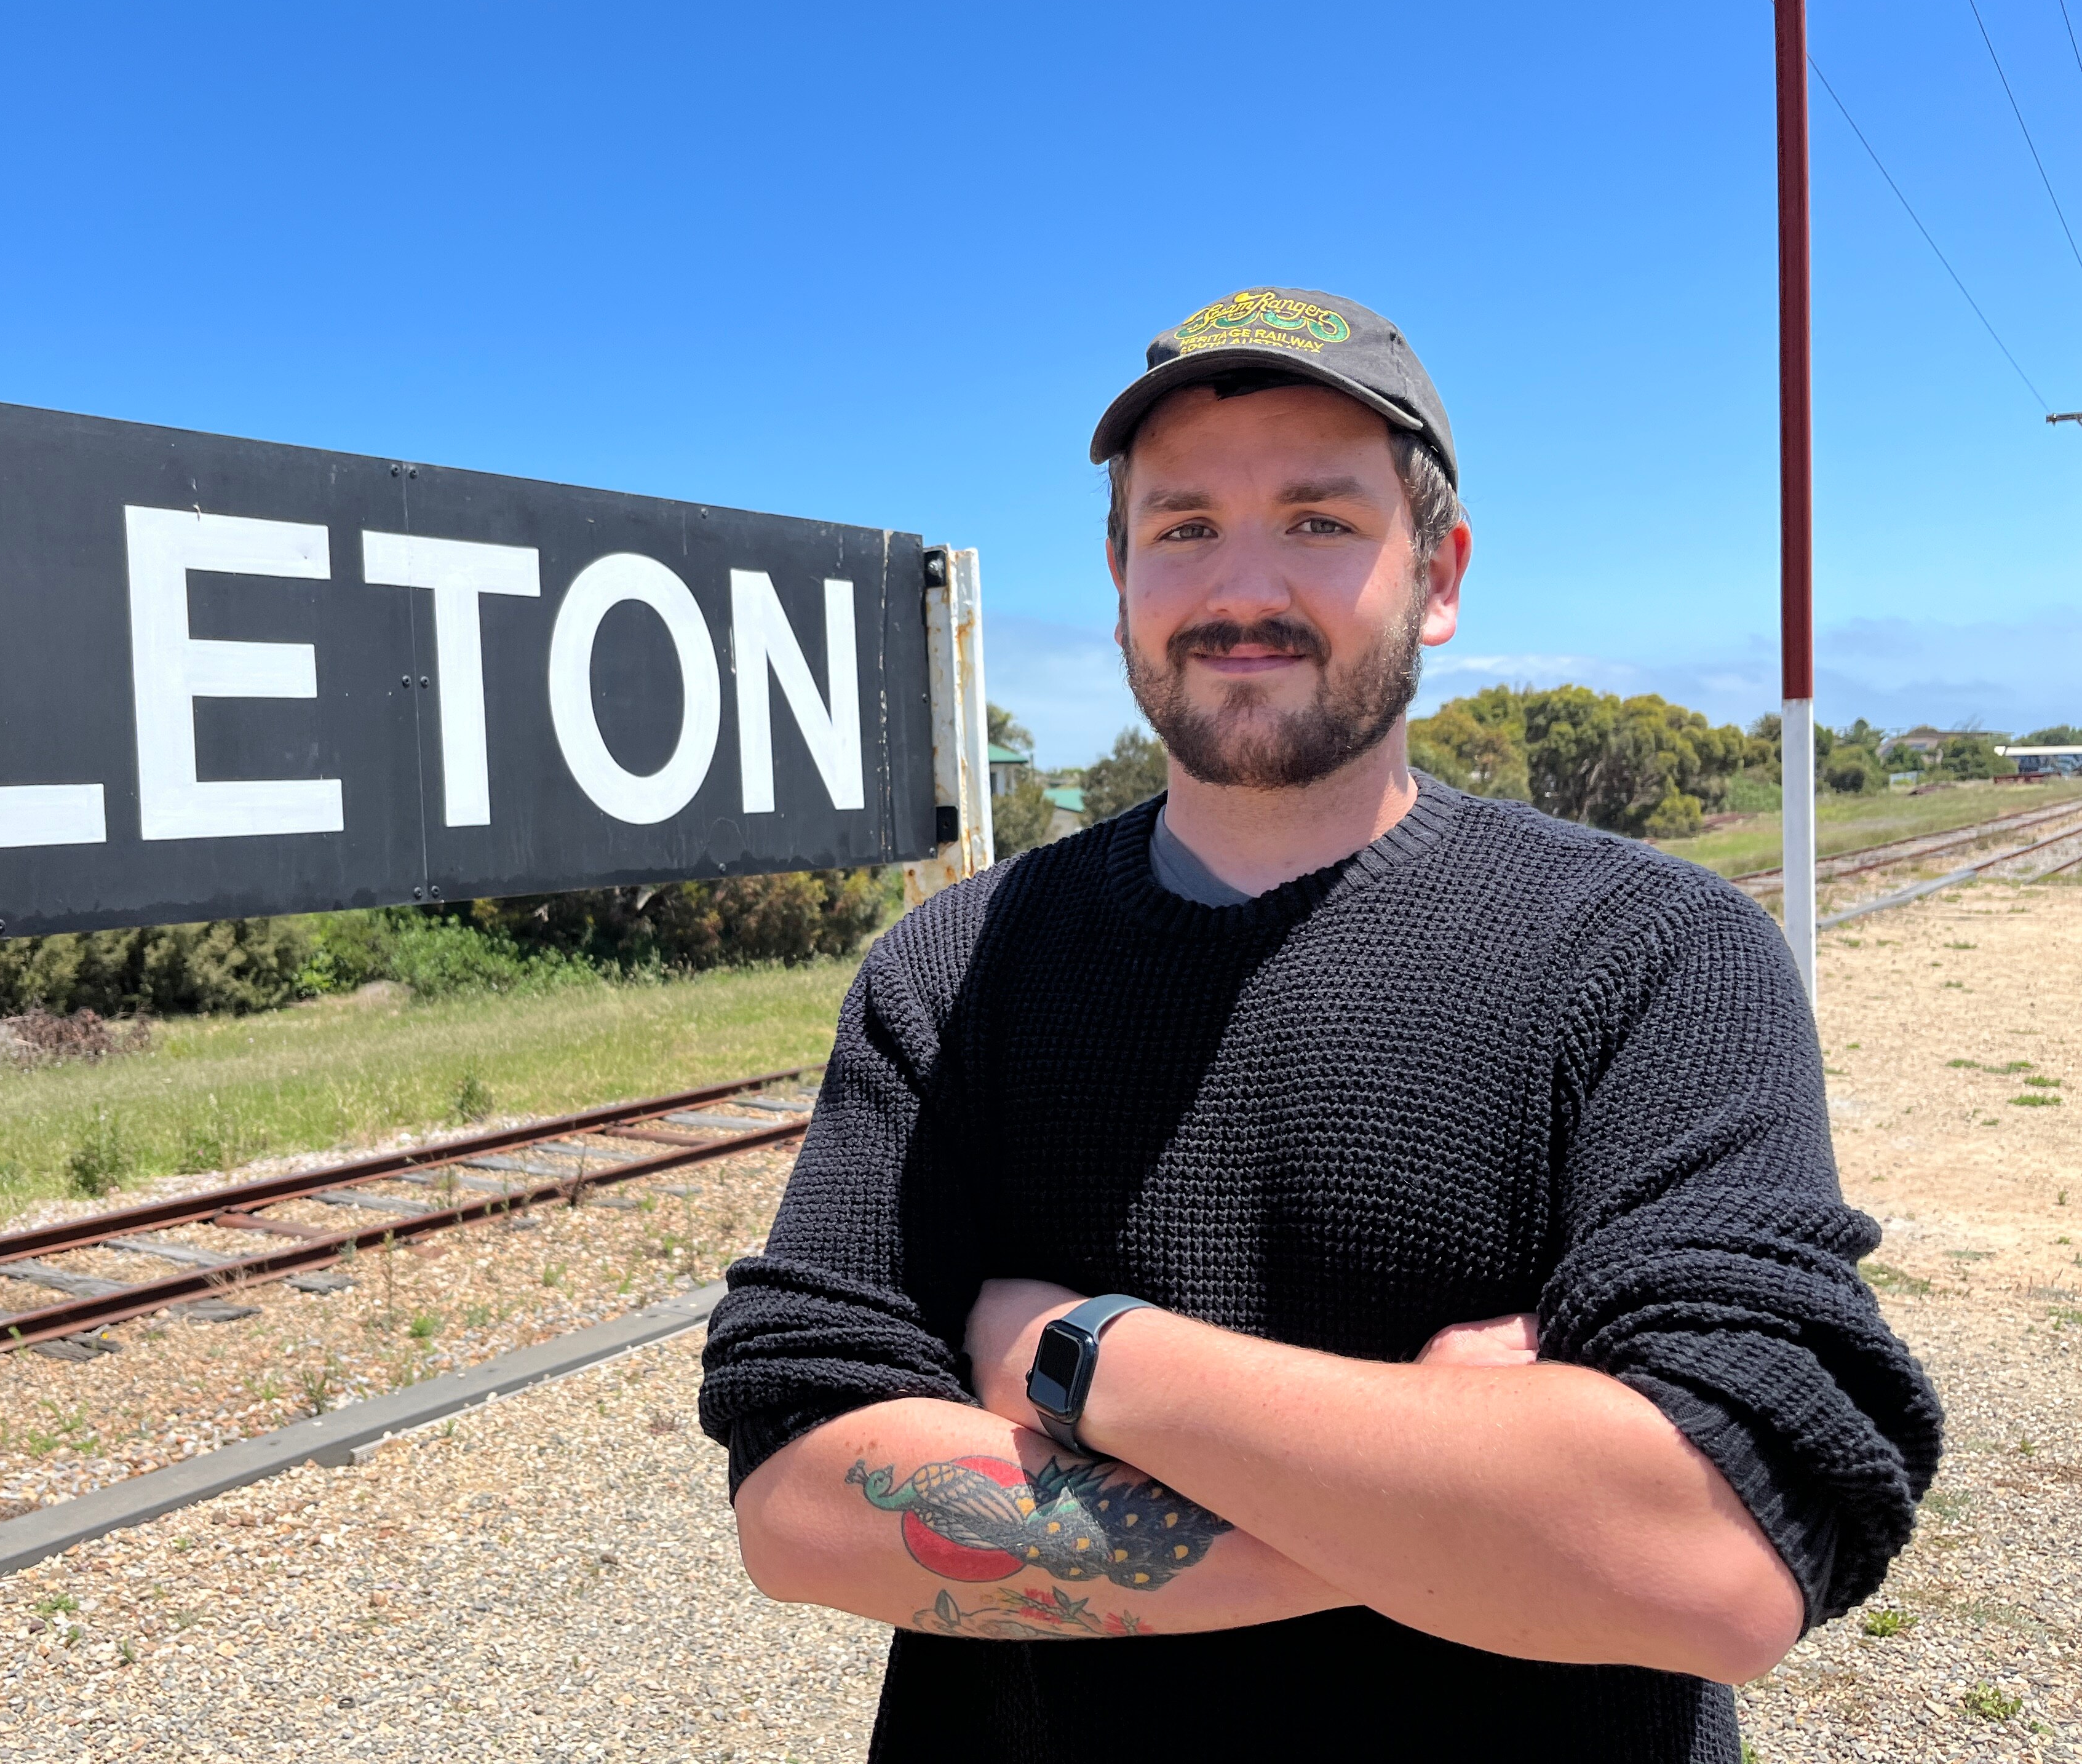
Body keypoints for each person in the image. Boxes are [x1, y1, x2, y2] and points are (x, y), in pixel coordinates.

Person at [697, 286, 1941, 1760]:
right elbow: (799, 1504)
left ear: (1440, 573)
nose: (1242, 587)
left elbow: (1720, 1557)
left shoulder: (1653, 954)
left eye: (1318, 520)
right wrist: (1467, 1518)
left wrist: (1080, 1353)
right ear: (1118, 577)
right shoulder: (952, 968)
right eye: (1183, 528)